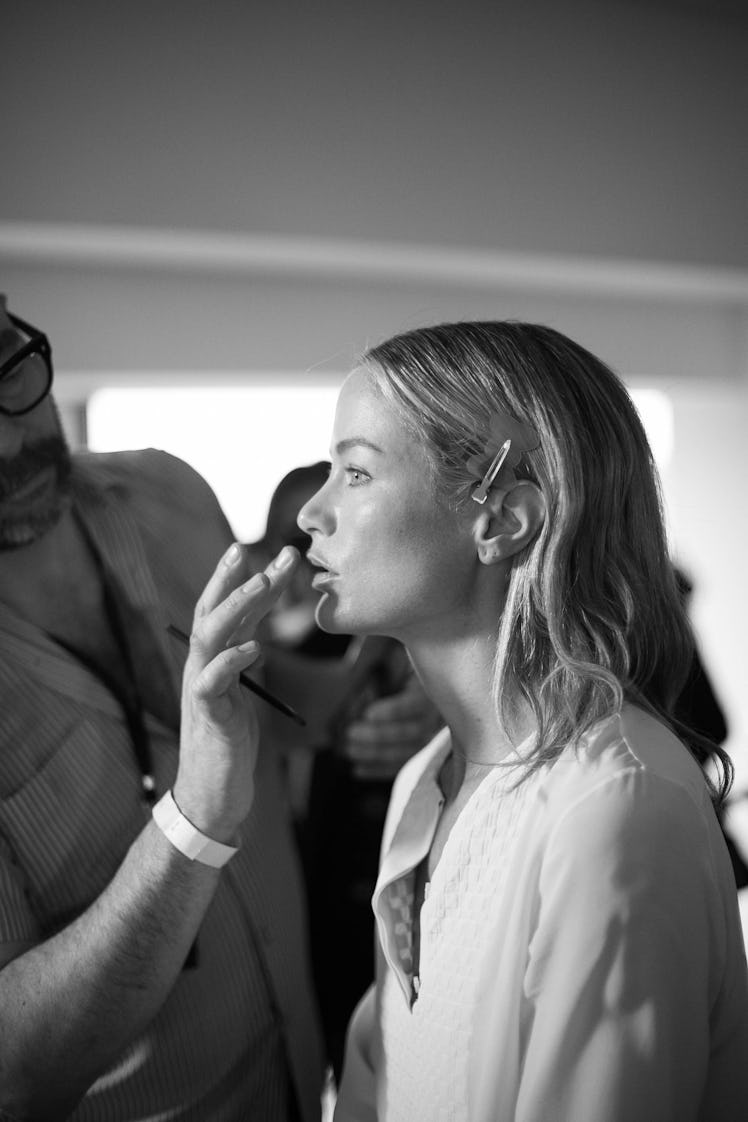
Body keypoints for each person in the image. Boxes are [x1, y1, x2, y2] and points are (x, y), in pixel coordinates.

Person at [277, 319, 748, 1121]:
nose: (312, 514)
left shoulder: (614, 811)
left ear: (501, 522)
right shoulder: (427, 781)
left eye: (354, 473)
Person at [249, 462, 442, 1078]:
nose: (306, 555)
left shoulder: (418, 648)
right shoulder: (278, 660)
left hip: (408, 925)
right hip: (314, 931)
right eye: (288, 541)